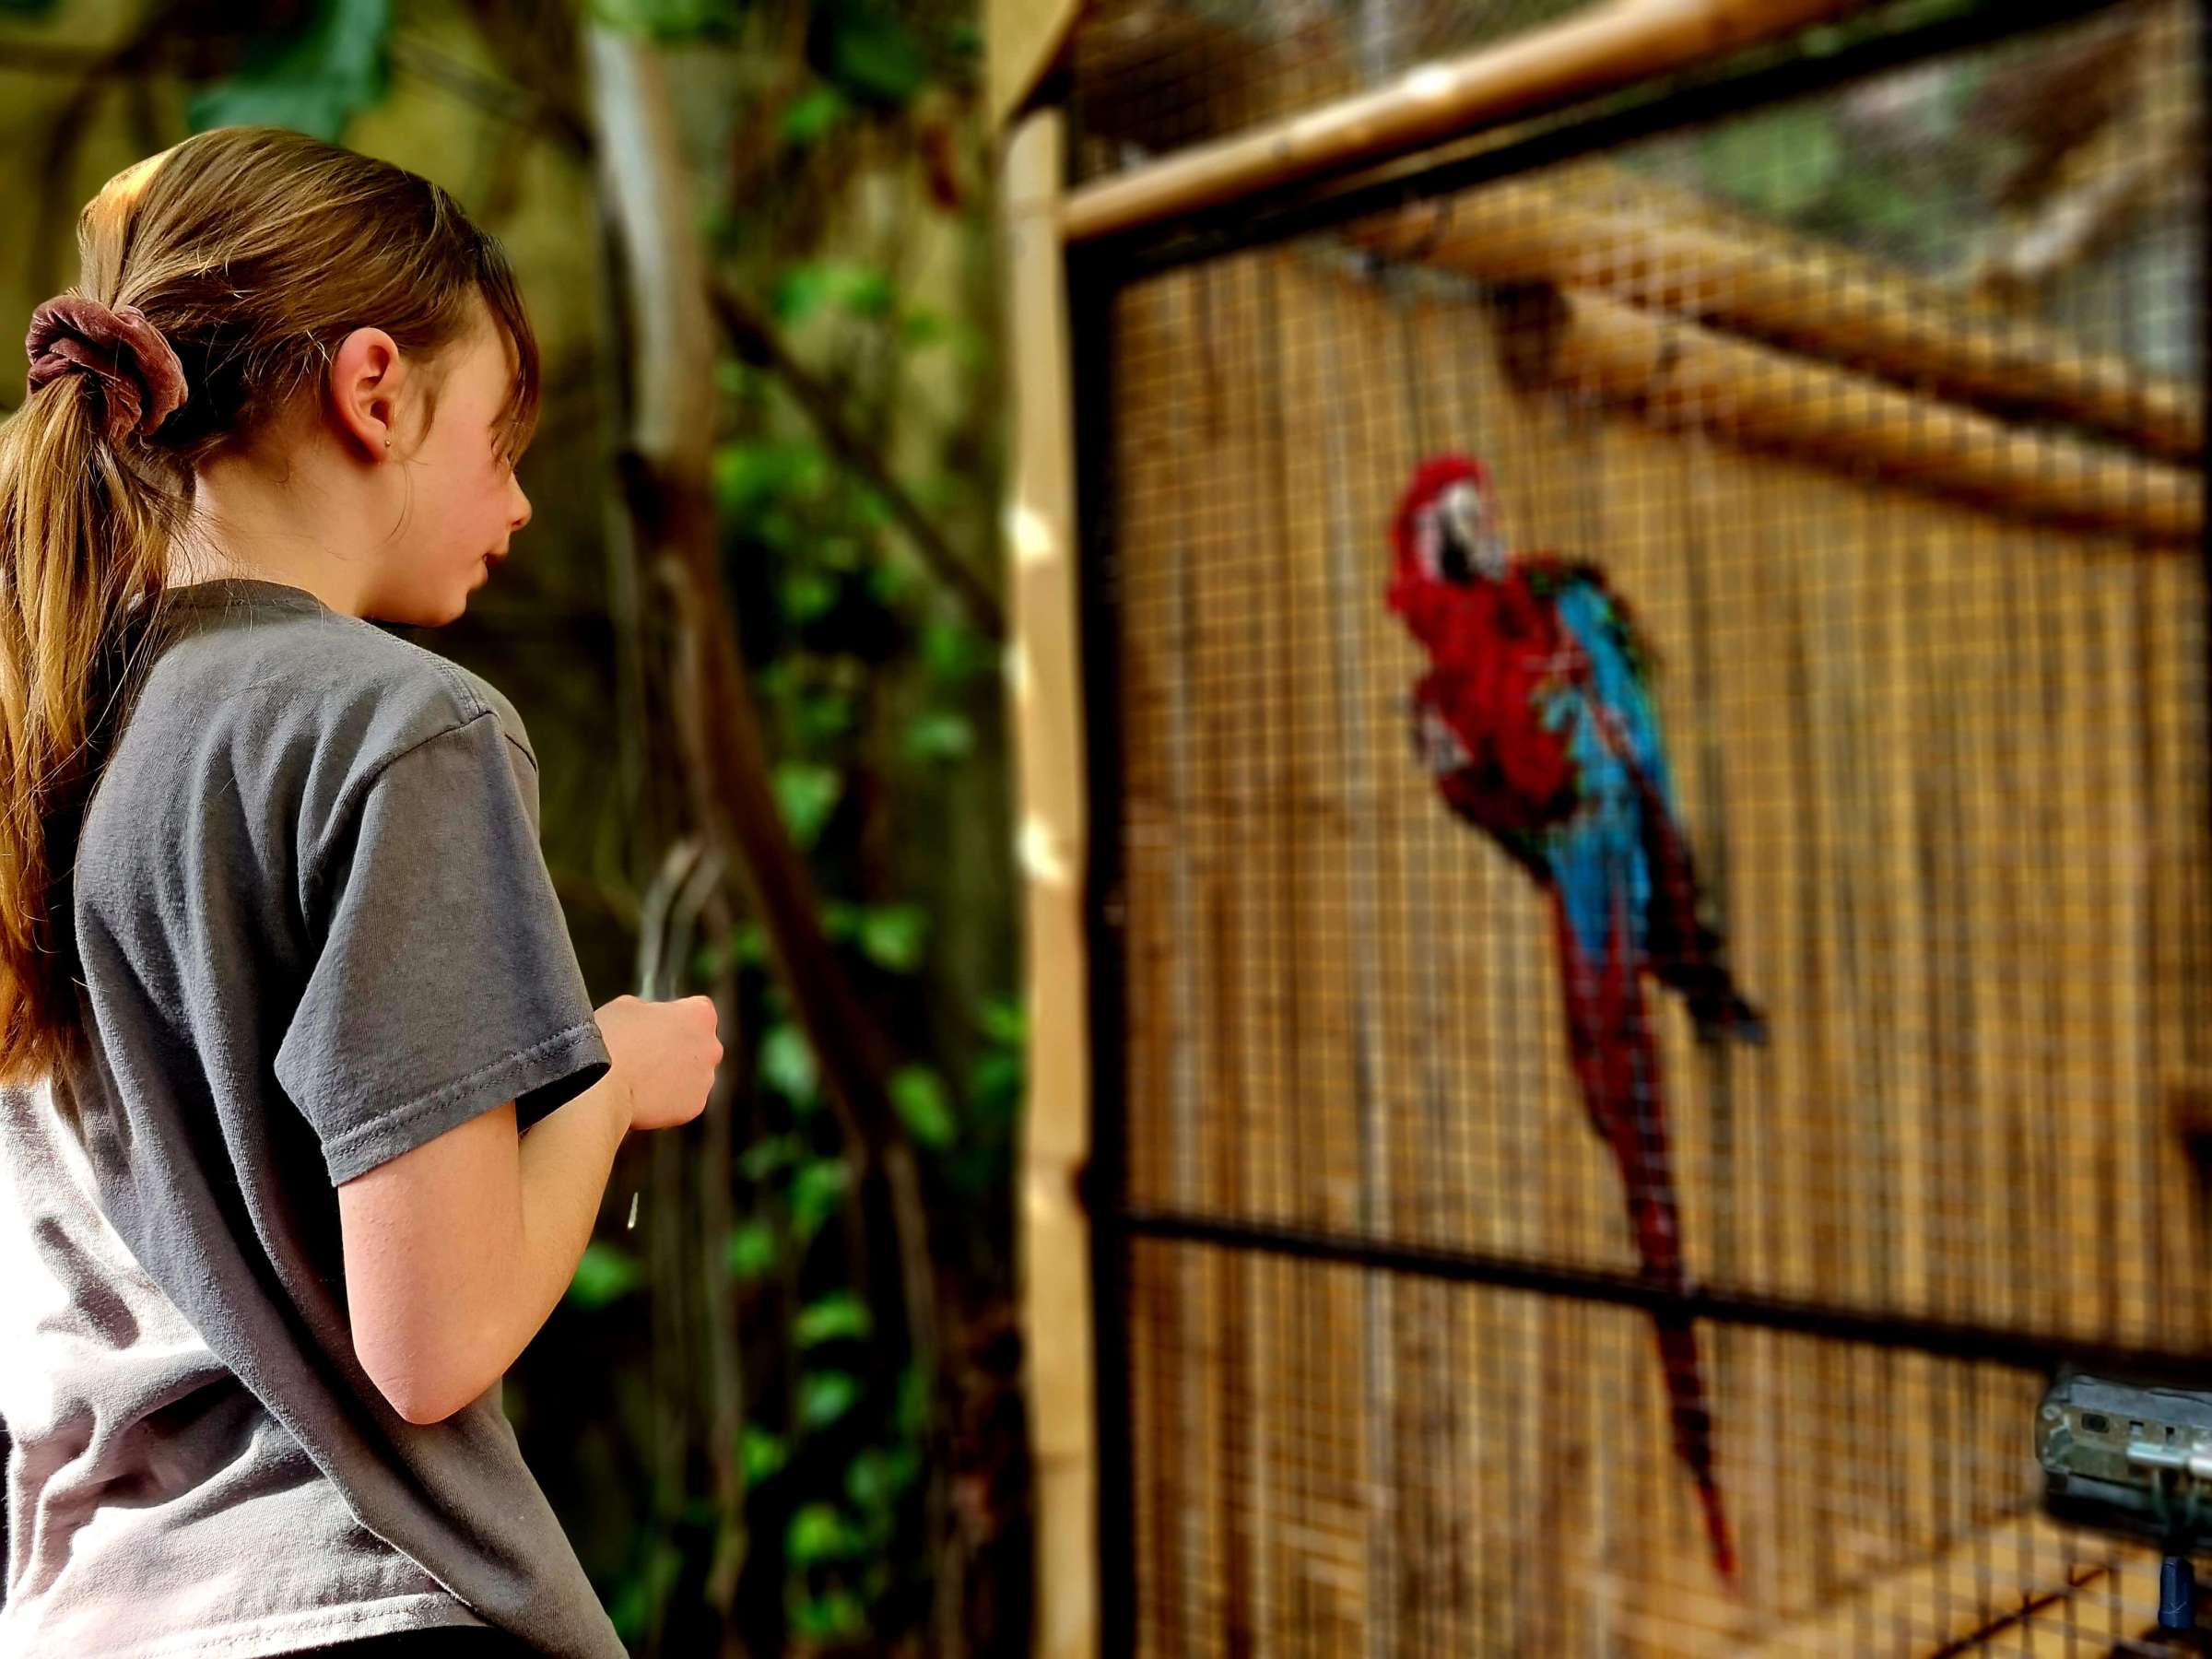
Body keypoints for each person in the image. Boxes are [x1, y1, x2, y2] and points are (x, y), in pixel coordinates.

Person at [0, 126, 721, 1658]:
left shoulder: (37, 726)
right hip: (349, 1606)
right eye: (502, 441)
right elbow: (432, 1341)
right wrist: (609, 1078)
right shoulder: (400, 728)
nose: (518, 506)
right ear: (376, 388)